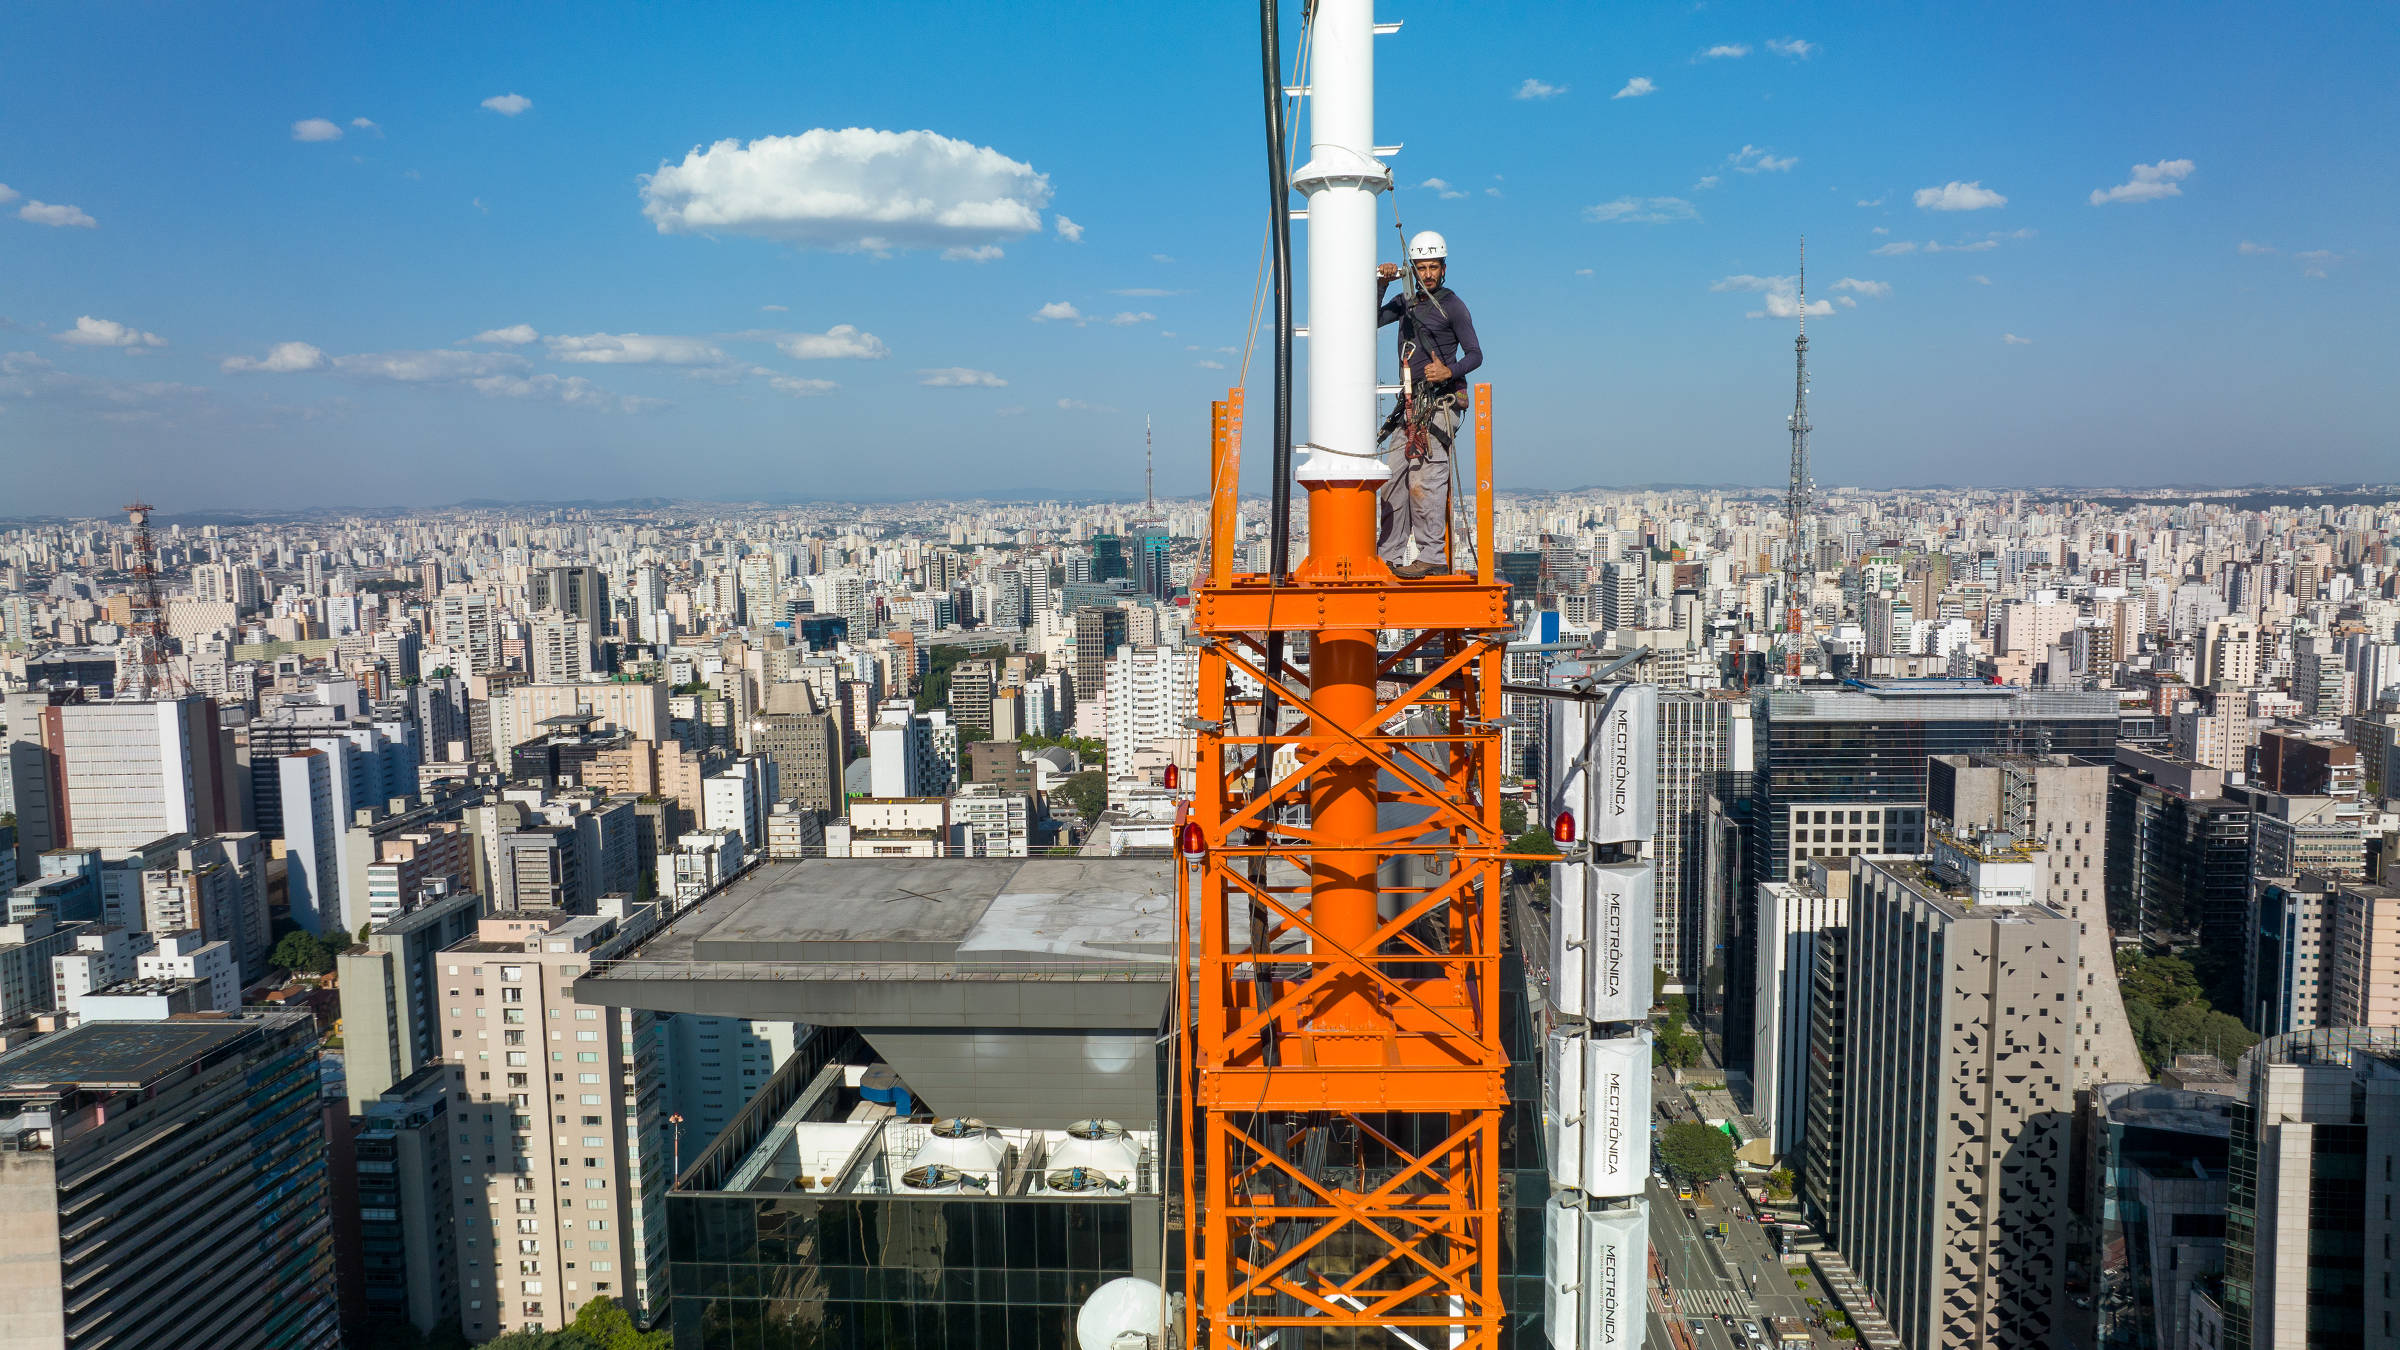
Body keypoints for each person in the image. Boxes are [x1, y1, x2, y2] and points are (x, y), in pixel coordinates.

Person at [1374, 230, 1483, 578]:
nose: (1429, 274)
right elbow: (1370, 319)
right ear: (1414, 270)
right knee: (1392, 478)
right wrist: (1381, 283)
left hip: (1438, 404)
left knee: (1426, 478)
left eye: (1434, 267)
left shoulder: (1453, 305)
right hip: (1409, 405)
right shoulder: (1406, 303)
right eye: (1422, 268)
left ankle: (1432, 557)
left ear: (1444, 268)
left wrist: (1448, 370)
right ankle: (1388, 555)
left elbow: (1476, 354)